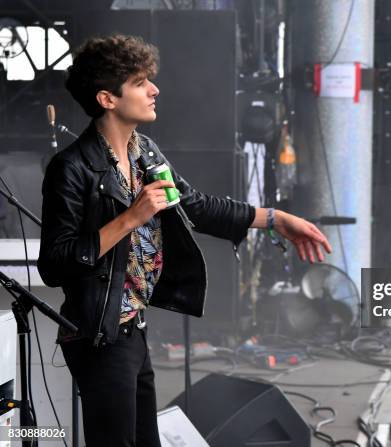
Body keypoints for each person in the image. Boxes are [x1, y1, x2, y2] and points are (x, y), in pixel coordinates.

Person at [37, 34, 331, 447]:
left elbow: (196, 205)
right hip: (98, 336)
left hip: (132, 328)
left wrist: (275, 219)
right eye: (140, 82)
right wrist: (131, 217)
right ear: (108, 99)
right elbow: (55, 264)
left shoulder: (146, 153)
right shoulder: (72, 169)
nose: (154, 90)